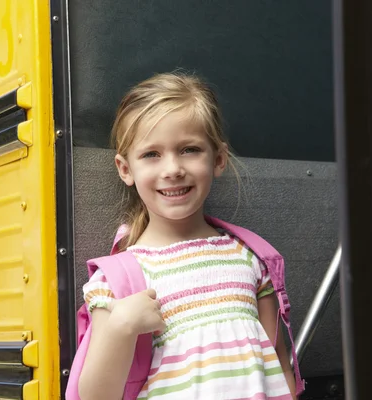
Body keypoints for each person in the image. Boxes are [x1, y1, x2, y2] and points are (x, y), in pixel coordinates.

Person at [78, 72, 298, 400]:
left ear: (218, 159)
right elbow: (95, 396)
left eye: (189, 149)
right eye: (151, 154)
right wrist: (120, 327)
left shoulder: (250, 258)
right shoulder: (118, 282)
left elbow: (279, 365)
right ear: (126, 170)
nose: (173, 169)